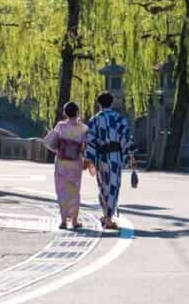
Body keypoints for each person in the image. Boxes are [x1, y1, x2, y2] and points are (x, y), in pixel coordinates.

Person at [84, 91, 135, 230]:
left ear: (99, 104)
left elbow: (89, 141)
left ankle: (106, 214)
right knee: (113, 186)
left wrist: (90, 159)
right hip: (115, 156)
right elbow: (125, 138)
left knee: (102, 186)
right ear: (112, 103)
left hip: (101, 157)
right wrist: (130, 154)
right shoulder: (119, 118)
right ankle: (108, 218)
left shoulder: (94, 120)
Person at [43, 101, 88, 230]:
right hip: (75, 162)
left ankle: (63, 220)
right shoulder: (83, 128)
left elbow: (51, 143)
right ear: (77, 112)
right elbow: (85, 147)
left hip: (61, 162)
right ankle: (74, 220)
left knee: (62, 190)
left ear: (65, 113)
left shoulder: (60, 126)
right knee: (74, 190)